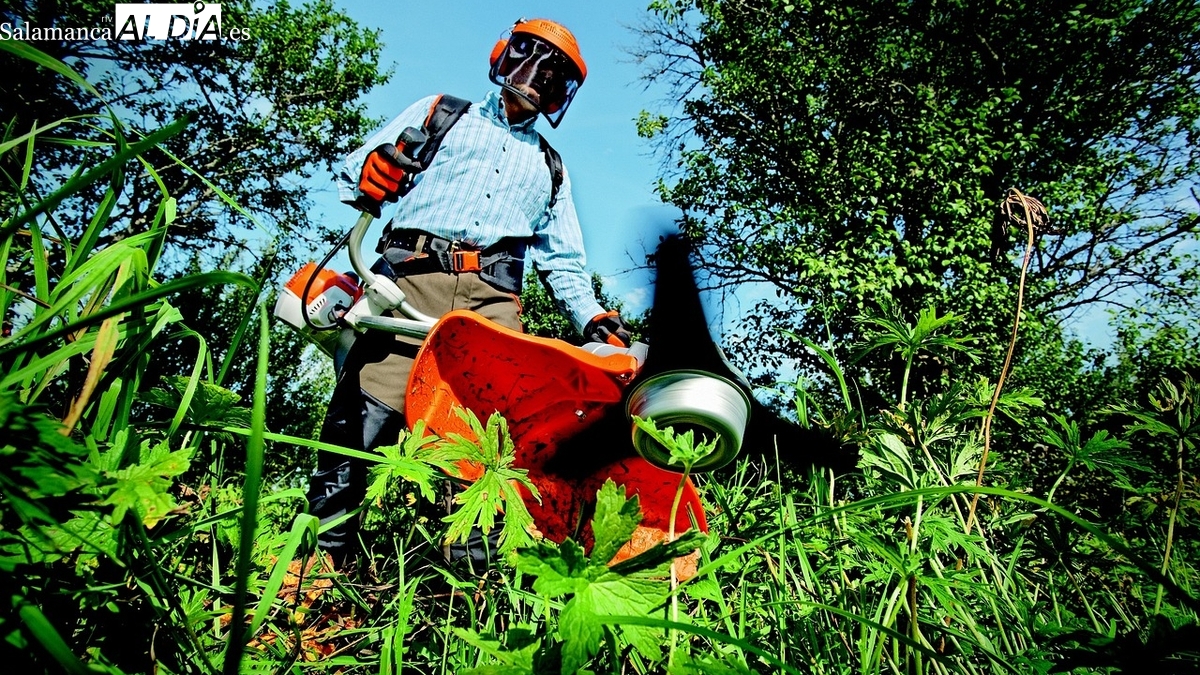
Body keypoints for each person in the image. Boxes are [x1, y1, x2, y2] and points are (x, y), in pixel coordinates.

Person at [306, 18, 633, 566]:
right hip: (411, 278)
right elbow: (355, 171)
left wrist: (592, 317)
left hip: (492, 303)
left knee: (494, 445)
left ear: (562, 95)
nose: (535, 80)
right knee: (362, 423)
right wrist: (373, 170)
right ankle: (316, 567)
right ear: (503, 55)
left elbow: (565, 263)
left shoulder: (551, 167)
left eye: (554, 77)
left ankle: (468, 588)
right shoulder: (442, 113)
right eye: (529, 60)